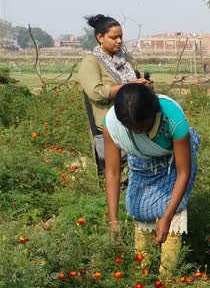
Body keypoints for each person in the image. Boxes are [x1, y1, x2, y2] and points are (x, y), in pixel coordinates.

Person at [103, 84, 199, 273]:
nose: (137, 132)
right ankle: (143, 274)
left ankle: (167, 279)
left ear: (154, 113)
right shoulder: (112, 125)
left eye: (142, 126)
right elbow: (112, 172)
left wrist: (167, 217)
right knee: (139, 210)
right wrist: (113, 221)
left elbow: (183, 173)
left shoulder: (173, 119)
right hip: (141, 161)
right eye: (130, 128)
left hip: (173, 162)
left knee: (172, 221)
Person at [78, 14, 151, 161]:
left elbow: (137, 81)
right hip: (109, 125)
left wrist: (144, 86)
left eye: (121, 37)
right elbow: (96, 93)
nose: (119, 41)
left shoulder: (127, 60)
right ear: (100, 37)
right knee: (114, 170)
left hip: (135, 123)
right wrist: (129, 87)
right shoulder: (91, 62)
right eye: (113, 37)